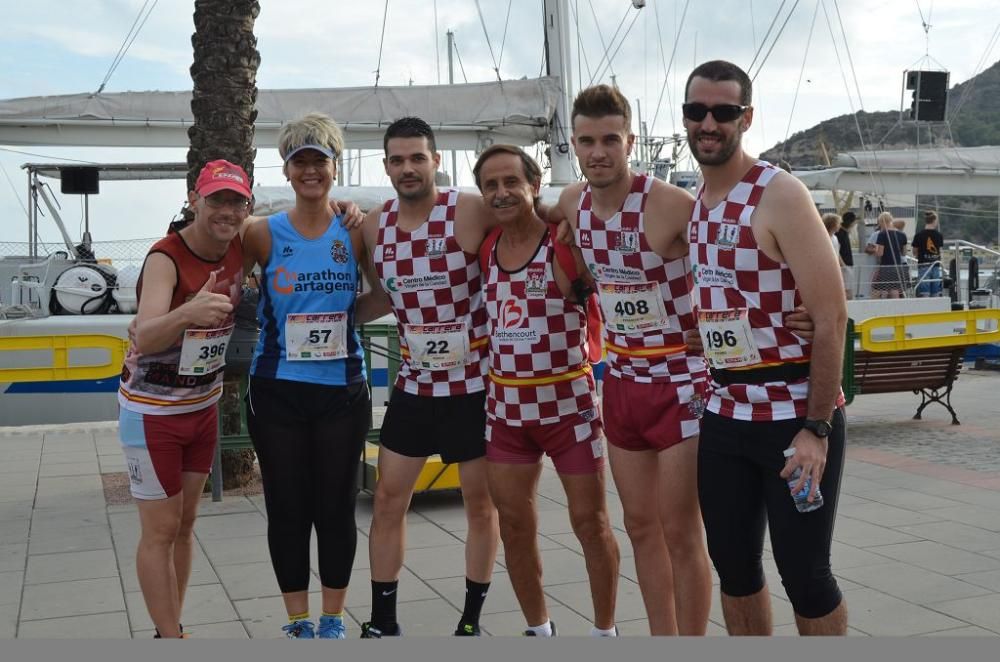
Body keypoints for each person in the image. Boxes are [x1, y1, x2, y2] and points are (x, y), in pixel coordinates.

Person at [684, 59, 848, 636]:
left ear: (745, 117)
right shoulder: (697, 203)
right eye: (696, 111)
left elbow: (831, 318)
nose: (709, 123)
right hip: (725, 415)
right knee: (733, 569)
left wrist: (818, 428)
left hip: (791, 417)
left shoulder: (780, 194)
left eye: (723, 112)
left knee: (805, 573)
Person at [550, 84, 712, 636]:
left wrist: (788, 315)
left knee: (680, 532)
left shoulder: (670, 204)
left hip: (680, 382)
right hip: (619, 379)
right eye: (588, 141)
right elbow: (536, 210)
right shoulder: (572, 201)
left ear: (630, 141)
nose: (599, 152)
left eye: (610, 140)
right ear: (574, 143)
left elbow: (738, 259)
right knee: (640, 526)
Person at [356, 117, 500, 638]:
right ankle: (384, 621)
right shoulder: (374, 225)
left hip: (476, 387)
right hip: (416, 387)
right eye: (397, 159)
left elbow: (528, 233)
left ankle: (470, 621)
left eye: (417, 157)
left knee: (481, 505)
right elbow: (379, 297)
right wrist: (325, 318)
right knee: (390, 500)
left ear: (436, 160)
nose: (408, 168)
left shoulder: (469, 209)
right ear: (387, 166)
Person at [476, 144, 620, 637]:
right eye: (490, 185)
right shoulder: (485, 247)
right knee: (514, 526)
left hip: (569, 409)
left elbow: (625, 277)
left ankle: (605, 632)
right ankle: (539, 630)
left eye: (511, 182)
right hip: (507, 413)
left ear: (534, 186)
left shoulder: (566, 243)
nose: (501, 193)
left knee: (591, 525)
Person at [242, 113, 375, 639]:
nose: (311, 171)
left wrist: (344, 321)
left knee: (336, 507)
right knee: (287, 506)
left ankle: (332, 619)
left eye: (320, 161)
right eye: (301, 162)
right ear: (288, 169)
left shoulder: (356, 230)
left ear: (334, 166)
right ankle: (297, 620)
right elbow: (223, 282)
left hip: (342, 390)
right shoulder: (261, 233)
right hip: (276, 391)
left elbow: (385, 293)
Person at [118, 159, 250, 639]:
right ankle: (171, 639)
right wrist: (188, 312)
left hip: (202, 408)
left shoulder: (239, 240)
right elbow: (146, 337)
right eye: (216, 199)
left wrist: (345, 208)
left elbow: (296, 219)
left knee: (185, 523)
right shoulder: (165, 258)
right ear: (195, 200)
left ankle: (169, 627)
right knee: (159, 530)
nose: (226, 211)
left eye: (236, 201)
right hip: (153, 415)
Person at [865, 212, 908, 299]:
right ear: (891, 220)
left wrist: (875, 249)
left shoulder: (882, 234)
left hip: (885, 267)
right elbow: (904, 253)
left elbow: (880, 253)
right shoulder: (902, 235)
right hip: (897, 267)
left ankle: (872, 309)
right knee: (895, 290)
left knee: (878, 289)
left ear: (881, 222)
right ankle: (896, 310)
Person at [912, 210, 944, 297]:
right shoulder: (939, 235)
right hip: (936, 265)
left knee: (924, 292)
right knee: (935, 292)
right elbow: (940, 251)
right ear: (934, 220)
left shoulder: (918, 235)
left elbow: (914, 252)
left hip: (923, 265)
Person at [835, 211, 856, 299]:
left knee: (848, 289)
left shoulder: (844, 232)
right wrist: (844, 266)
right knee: (847, 291)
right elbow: (837, 252)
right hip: (844, 266)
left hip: (846, 265)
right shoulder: (840, 233)